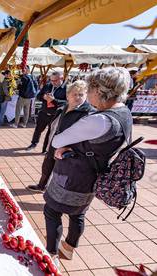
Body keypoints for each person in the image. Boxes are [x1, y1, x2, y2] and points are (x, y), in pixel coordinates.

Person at [43, 67, 133, 265]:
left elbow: (57, 140)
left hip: (73, 175)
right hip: (94, 175)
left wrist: (65, 147)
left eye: (90, 90)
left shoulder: (99, 120)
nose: (88, 95)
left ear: (99, 92)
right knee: (78, 214)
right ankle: (69, 248)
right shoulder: (124, 112)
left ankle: (51, 254)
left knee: (52, 211)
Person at [26, 81, 95, 193]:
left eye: (81, 94)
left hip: (69, 148)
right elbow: (53, 107)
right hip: (55, 142)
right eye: (75, 94)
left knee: (61, 173)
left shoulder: (88, 112)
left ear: (86, 95)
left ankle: (55, 194)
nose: (78, 97)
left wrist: (73, 148)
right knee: (47, 165)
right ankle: (41, 185)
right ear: (68, 96)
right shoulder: (65, 106)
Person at [27, 72, 67, 152]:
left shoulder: (66, 89)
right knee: (38, 129)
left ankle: (45, 149)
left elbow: (66, 102)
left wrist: (54, 100)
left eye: (55, 80)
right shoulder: (48, 85)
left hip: (55, 115)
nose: (52, 82)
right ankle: (33, 143)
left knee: (50, 132)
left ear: (62, 79)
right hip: (44, 112)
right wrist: (44, 97)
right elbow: (38, 96)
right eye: (51, 80)